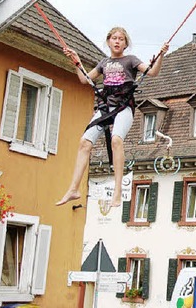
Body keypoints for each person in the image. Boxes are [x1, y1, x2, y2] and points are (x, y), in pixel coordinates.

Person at [56, 27, 169, 207]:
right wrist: (76, 62)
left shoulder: (130, 60)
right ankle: (74, 188)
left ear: (125, 44)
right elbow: (85, 80)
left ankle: (117, 191)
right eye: (114, 38)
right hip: (105, 107)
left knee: (116, 140)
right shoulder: (104, 63)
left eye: (121, 39)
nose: (117, 41)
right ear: (109, 41)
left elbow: (153, 72)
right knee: (84, 142)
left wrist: (161, 55)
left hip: (123, 106)